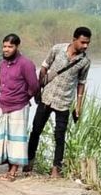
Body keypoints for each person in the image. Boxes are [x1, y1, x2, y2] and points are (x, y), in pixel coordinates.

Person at [29, 26, 91, 178]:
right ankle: (29, 162)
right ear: (74, 39)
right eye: (83, 42)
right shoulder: (57, 49)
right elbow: (44, 67)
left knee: (60, 136)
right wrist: (40, 86)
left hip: (64, 101)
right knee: (36, 130)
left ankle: (56, 169)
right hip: (47, 97)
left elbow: (81, 83)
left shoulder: (84, 62)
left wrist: (78, 106)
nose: (85, 46)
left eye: (88, 43)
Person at [0, 34, 40, 180]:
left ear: (16, 47)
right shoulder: (2, 64)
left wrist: (25, 97)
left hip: (19, 106)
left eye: (10, 47)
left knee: (17, 139)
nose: (6, 50)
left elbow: (34, 85)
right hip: (3, 104)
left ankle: (14, 171)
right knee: (5, 139)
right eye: (5, 46)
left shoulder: (26, 64)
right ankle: (8, 169)